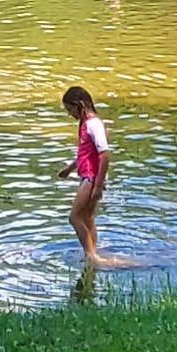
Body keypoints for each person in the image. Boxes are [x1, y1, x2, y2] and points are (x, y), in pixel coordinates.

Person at [57, 84, 111, 260]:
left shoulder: (94, 124)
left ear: (80, 104)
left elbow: (104, 155)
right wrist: (70, 169)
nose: (69, 114)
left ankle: (91, 256)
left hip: (91, 177)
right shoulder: (85, 124)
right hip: (87, 175)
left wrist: (98, 185)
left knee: (75, 217)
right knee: (87, 217)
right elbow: (87, 153)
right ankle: (94, 250)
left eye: (70, 109)